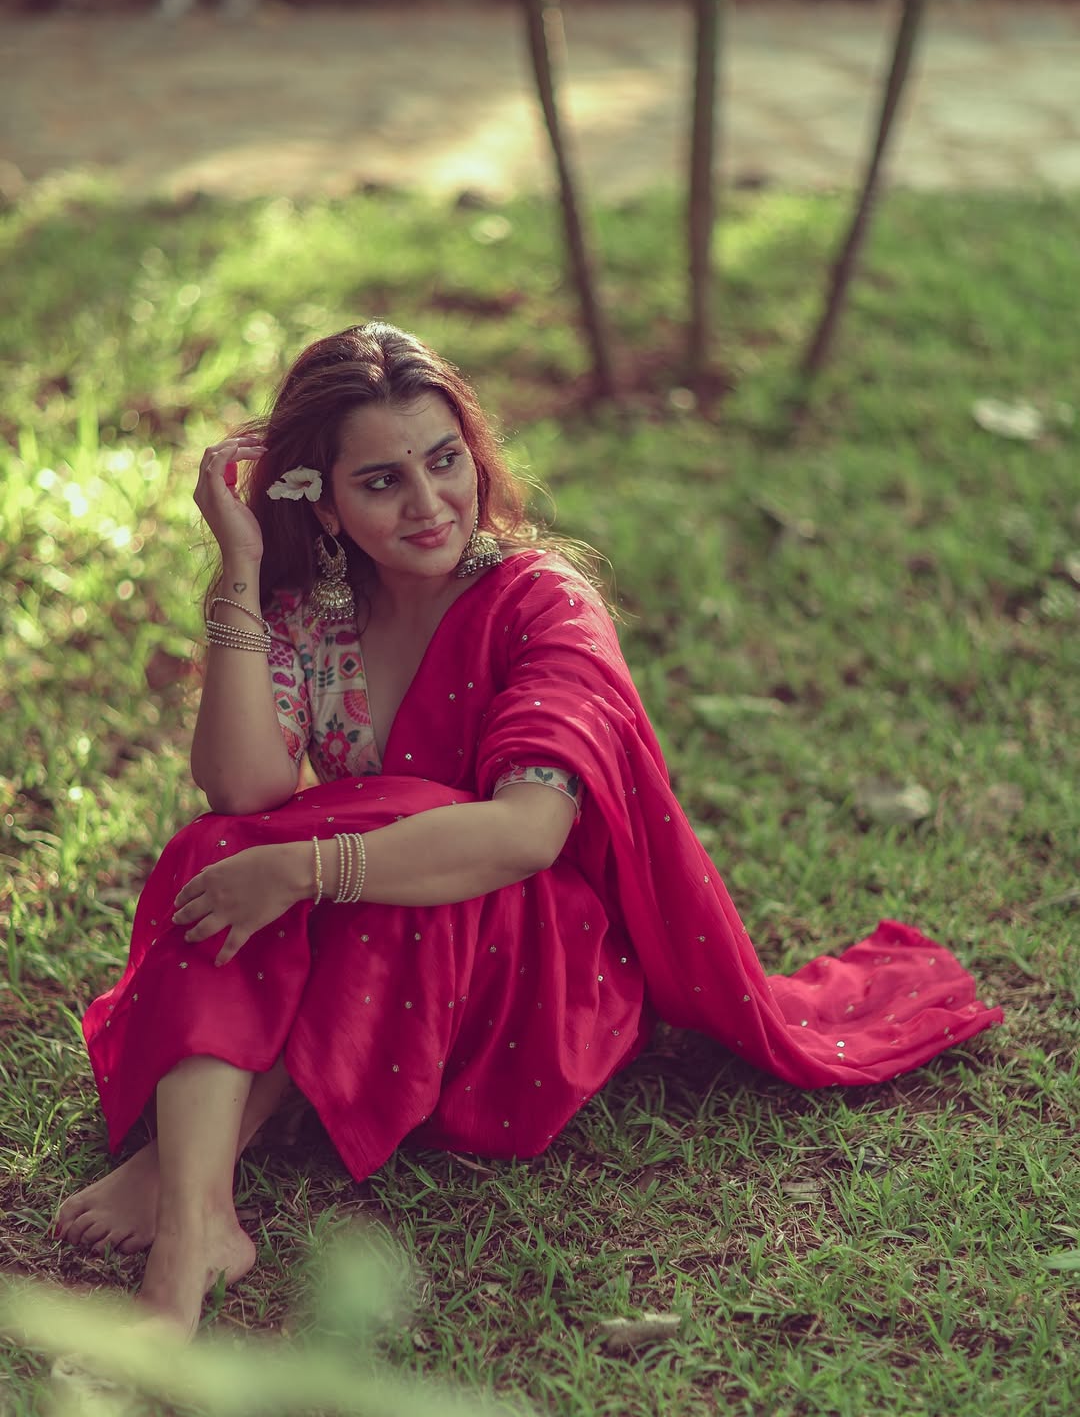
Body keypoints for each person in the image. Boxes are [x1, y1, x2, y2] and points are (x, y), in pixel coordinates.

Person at [54, 321, 1003, 1338]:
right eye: (381, 483)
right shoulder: (316, 610)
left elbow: (525, 835)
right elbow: (242, 789)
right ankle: (195, 1231)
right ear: (321, 504)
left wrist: (305, 868)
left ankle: (189, 1161)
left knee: (367, 840)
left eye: (445, 461)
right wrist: (236, 578)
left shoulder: (544, 603)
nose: (430, 506)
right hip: (381, 914)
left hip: (535, 959)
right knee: (217, 852)